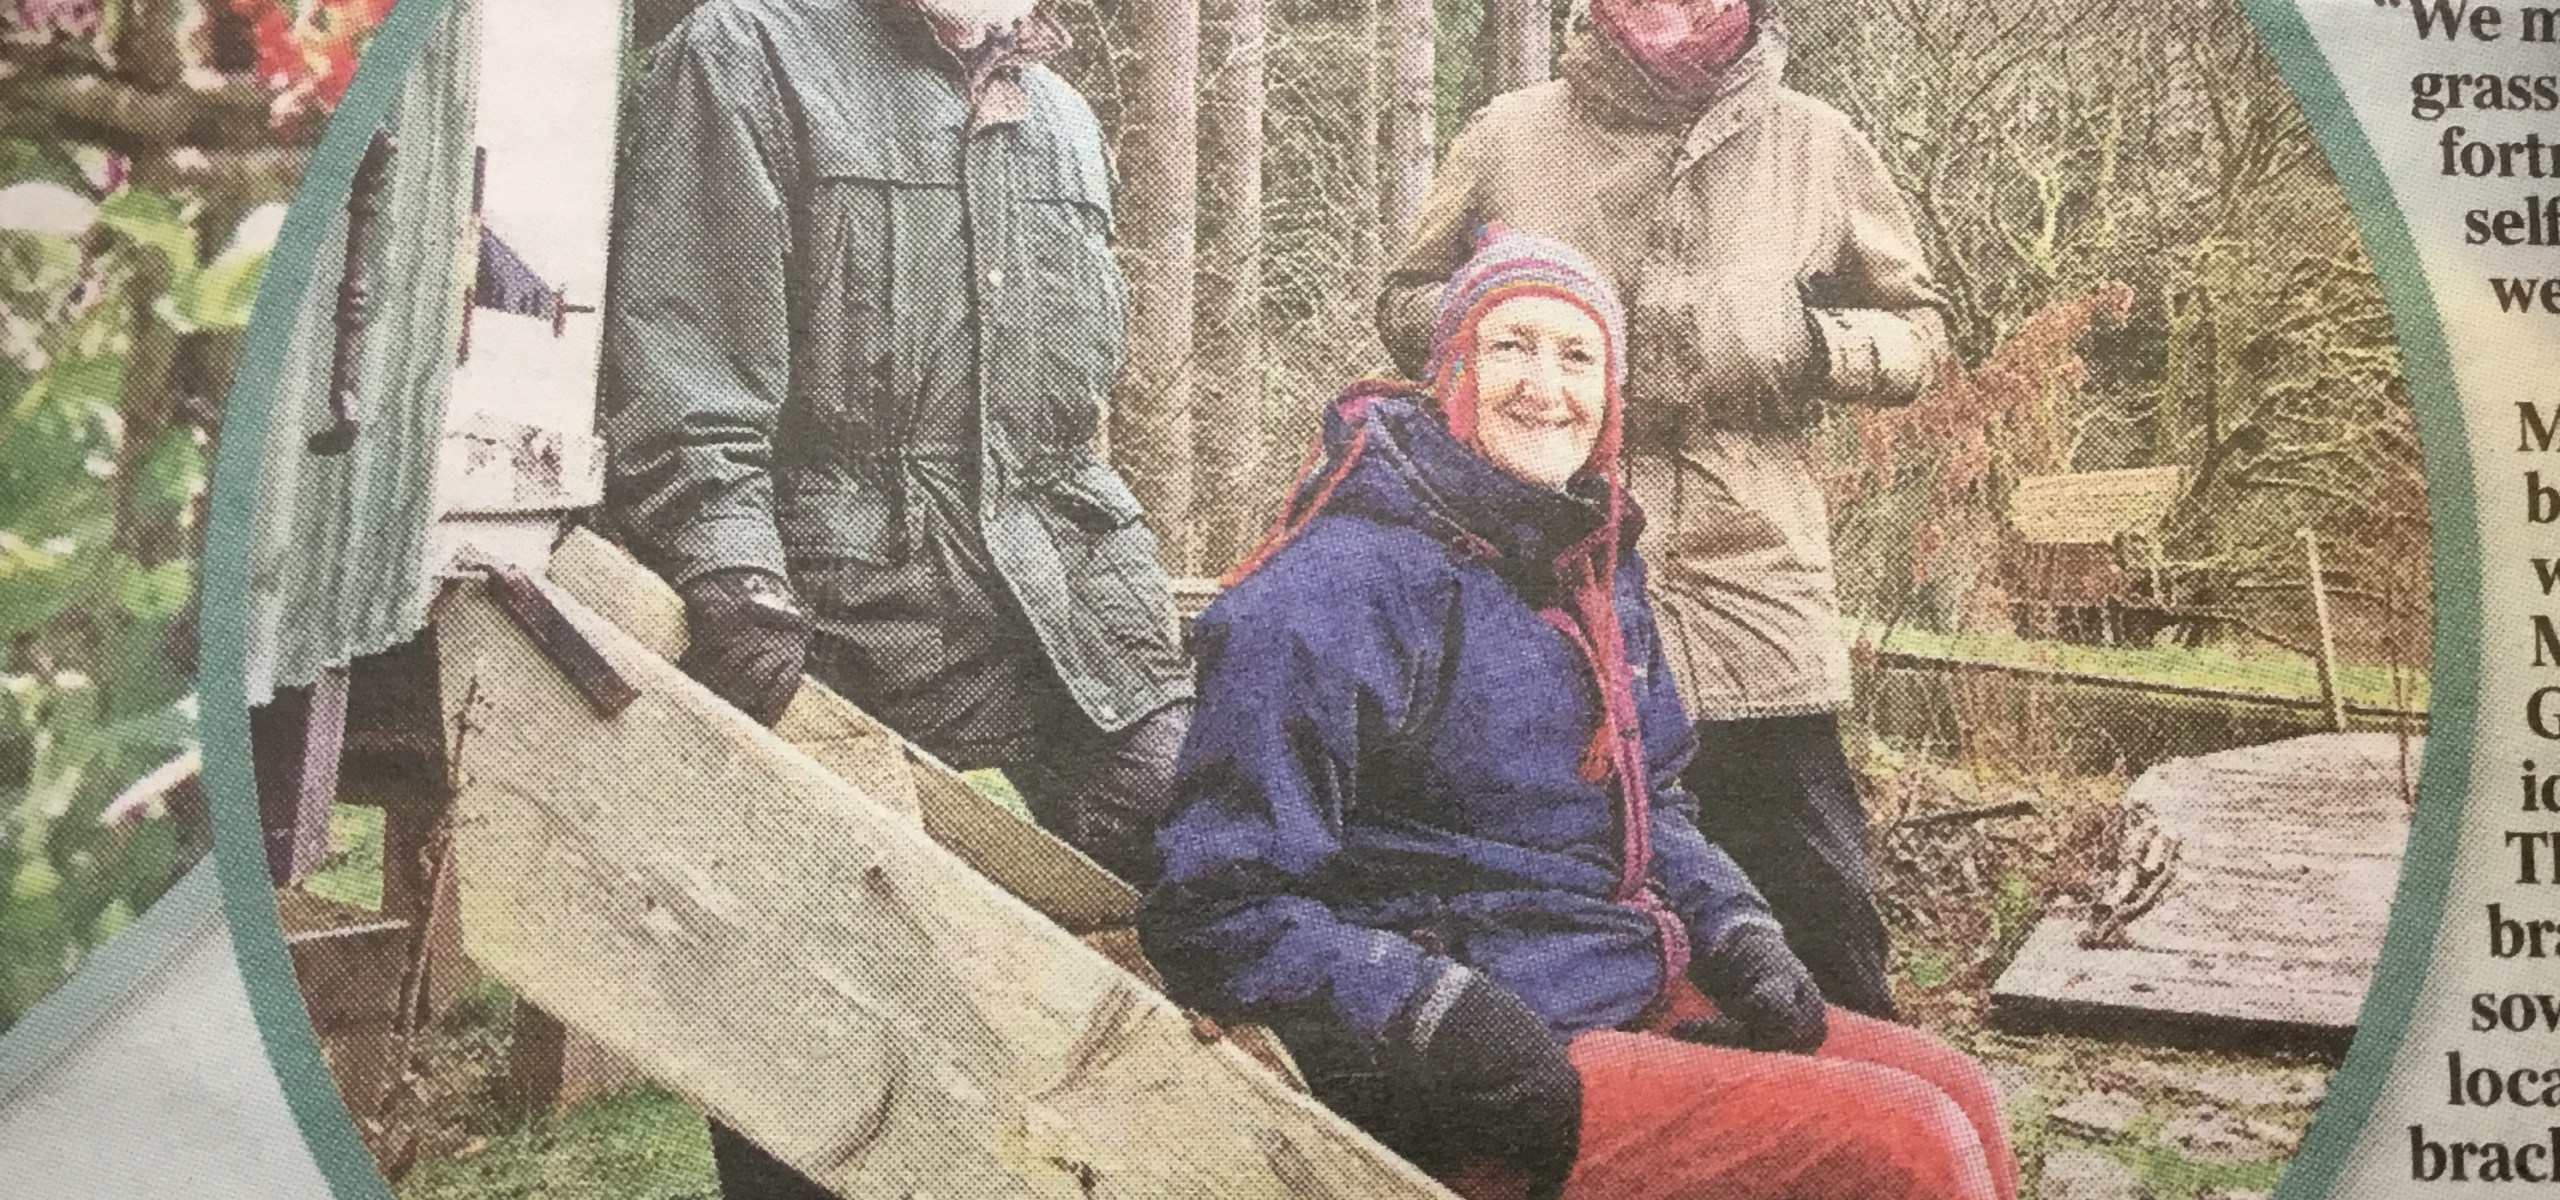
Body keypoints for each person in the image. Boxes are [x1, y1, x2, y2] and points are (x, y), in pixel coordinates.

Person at [1148, 230, 2013, 1200]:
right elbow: (1215, 911)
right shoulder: (1335, 589)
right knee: (1906, 1145)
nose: (1544, 387)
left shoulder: (1589, 560)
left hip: (1611, 975)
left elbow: (1654, 799)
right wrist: (1440, 1018)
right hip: (1480, 1063)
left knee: (1959, 1092)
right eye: (1510, 346)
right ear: (1452, 369)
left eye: (1577, 356)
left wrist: (1738, 931)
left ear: (1611, 394)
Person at [601, 0, 1191, 1194]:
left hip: (1046, 601)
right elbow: (689, 354)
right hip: (838, 601)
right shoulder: (747, 56)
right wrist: (727, 555)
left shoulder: (1062, 120)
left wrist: (1142, 649)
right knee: (805, 983)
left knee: (1196, 860)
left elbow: (1062, 446)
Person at [1377, 0, 1948, 1019]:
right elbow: (1407, 302)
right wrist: (1511, 319)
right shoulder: (1509, 133)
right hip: (1546, 567)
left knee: (1820, 929)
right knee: (1562, 904)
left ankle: (1855, 1097)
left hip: (1751, 579)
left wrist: (1810, 345)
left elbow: (1922, 336)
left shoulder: (1816, 143)